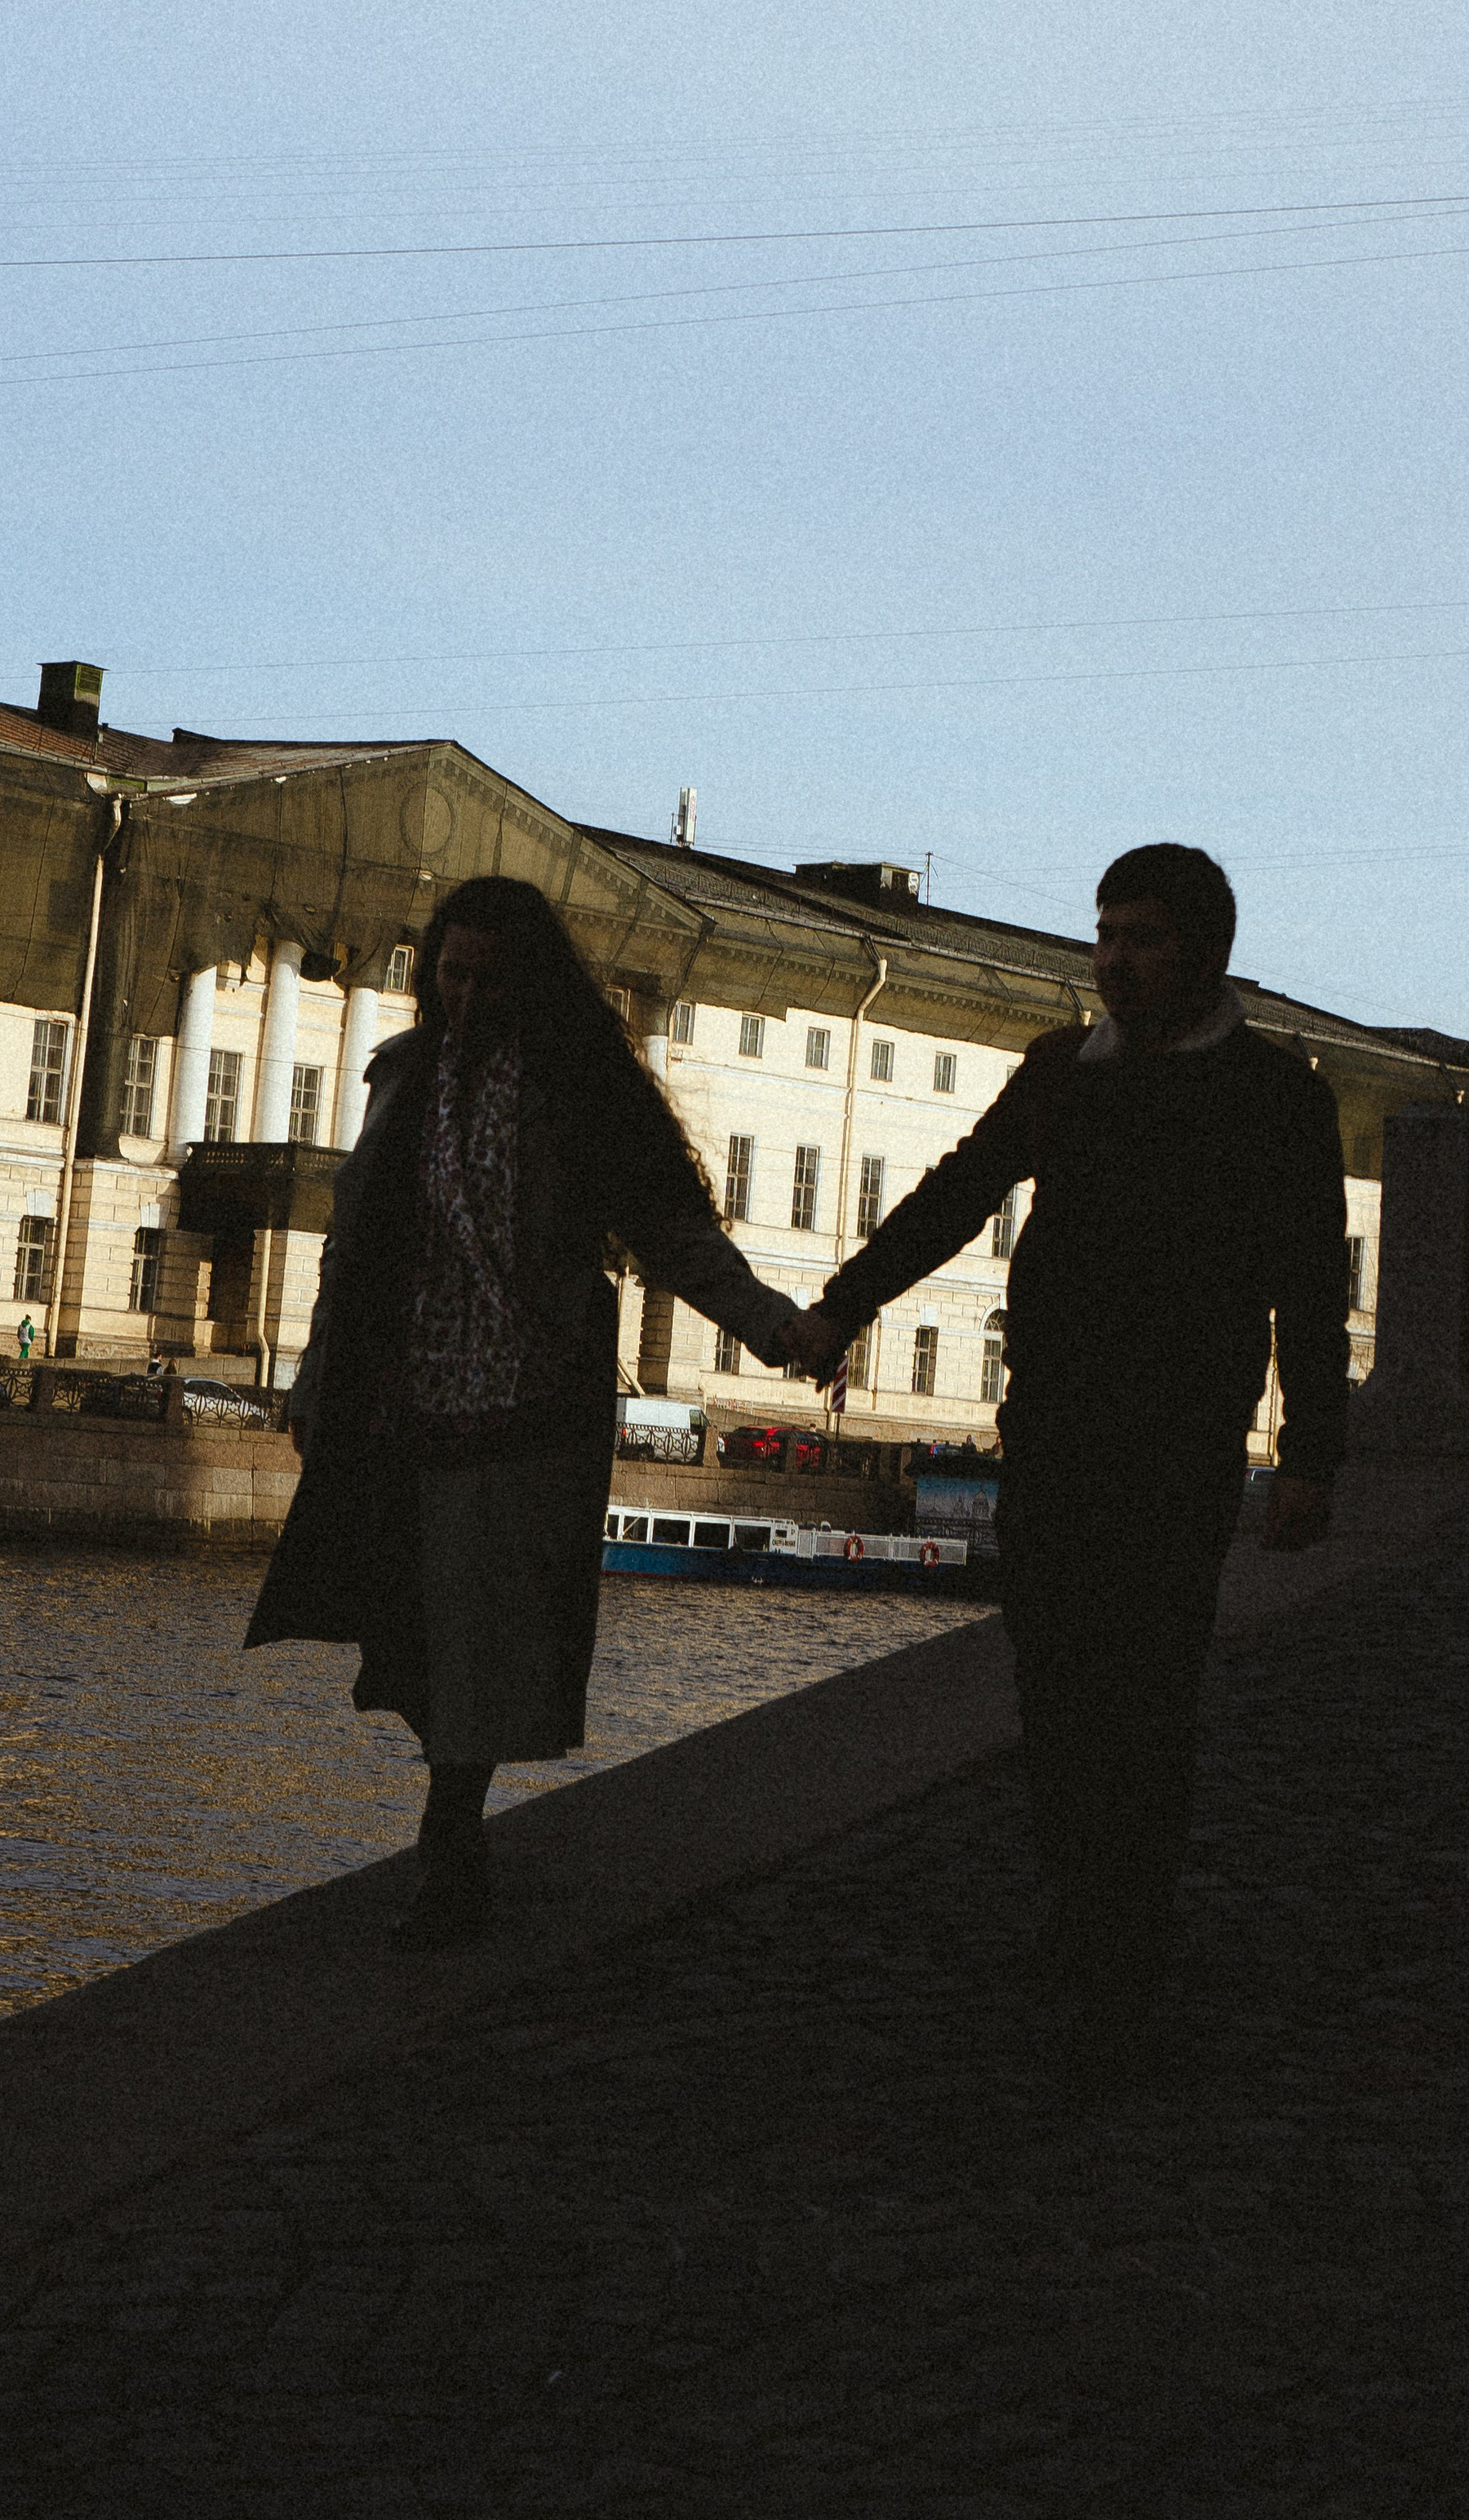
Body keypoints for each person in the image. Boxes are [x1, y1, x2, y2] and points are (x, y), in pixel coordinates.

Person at [789, 845, 1347, 2092]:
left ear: (1205, 952)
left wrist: (1311, 1456)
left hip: (1179, 1441)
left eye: (1142, 937)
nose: (1114, 959)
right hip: (1053, 1432)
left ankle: (1119, 1940)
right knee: (1053, 1683)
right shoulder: (1058, 1075)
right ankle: (1082, 1906)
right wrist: (843, 1306)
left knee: (1145, 1695)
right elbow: (956, 1195)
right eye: (1105, 934)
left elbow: (1314, 1283)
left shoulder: (1273, 1095)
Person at [245, 877, 807, 1944]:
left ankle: (447, 1844)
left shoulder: (579, 1087)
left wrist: (778, 1328)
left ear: (532, 983)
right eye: (451, 973)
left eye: (490, 979)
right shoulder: (406, 1077)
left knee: (482, 1638)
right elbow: (350, 1248)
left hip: (525, 1408)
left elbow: (671, 1234)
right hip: (403, 1400)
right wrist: (315, 1385)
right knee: (402, 1632)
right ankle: (454, 1820)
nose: (466, 998)